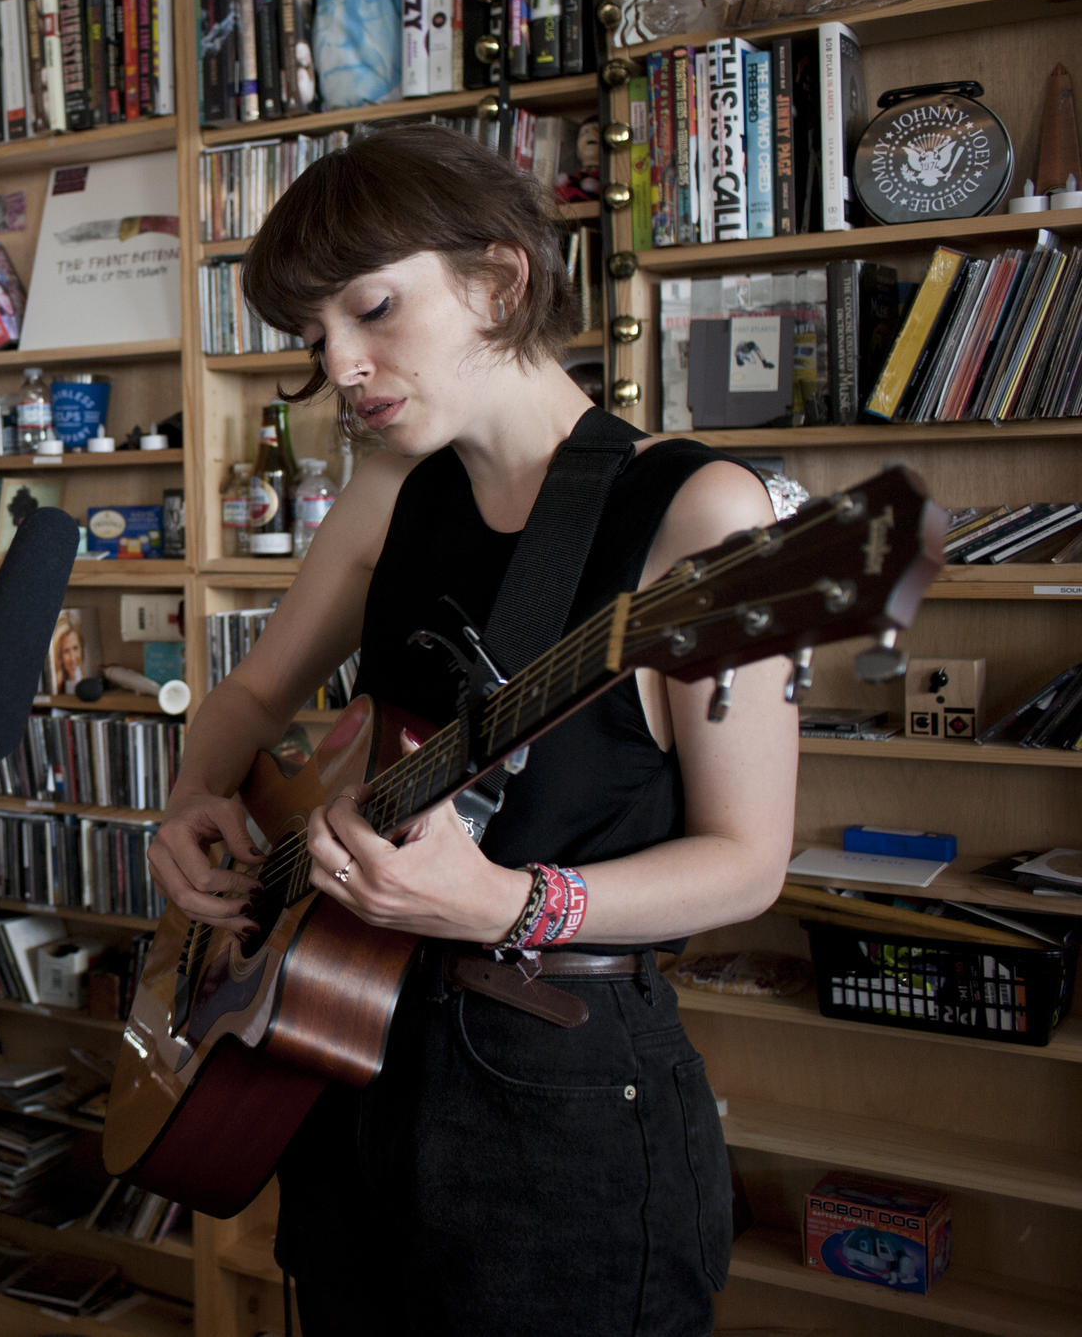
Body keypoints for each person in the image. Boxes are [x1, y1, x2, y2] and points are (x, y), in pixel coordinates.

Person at [145, 124, 795, 1335]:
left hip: (559, 1097)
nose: (340, 362)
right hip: (347, 1073)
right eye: (313, 336)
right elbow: (244, 701)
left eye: (373, 309)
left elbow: (749, 860)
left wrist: (506, 904)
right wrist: (194, 796)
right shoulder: (395, 490)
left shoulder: (699, 512)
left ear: (499, 280)